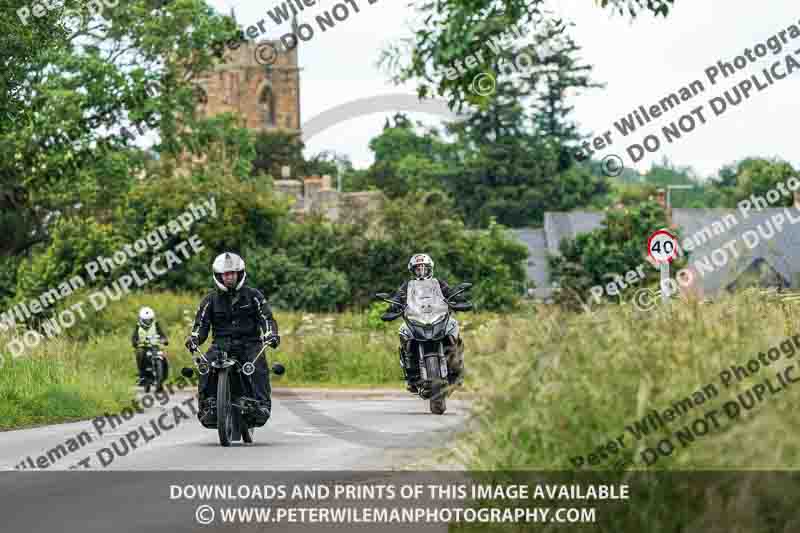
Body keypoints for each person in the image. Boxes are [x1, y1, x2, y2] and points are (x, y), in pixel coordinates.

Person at [185, 252, 280, 426]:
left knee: (258, 365)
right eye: (225, 274)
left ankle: (263, 405)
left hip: (249, 343)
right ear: (219, 276)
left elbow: (266, 318)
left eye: (232, 273)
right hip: (221, 346)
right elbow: (201, 325)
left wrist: (270, 334)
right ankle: (207, 407)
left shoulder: (254, 296)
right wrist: (194, 339)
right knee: (204, 366)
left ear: (239, 274)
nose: (229, 277)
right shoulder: (210, 300)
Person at [382, 253, 466, 392]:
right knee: (403, 331)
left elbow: (450, 293)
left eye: (424, 268)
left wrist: (460, 300)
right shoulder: (407, 286)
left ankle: (456, 365)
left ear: (430, 268)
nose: (421, 271)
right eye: (417, 268)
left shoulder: (438, 283)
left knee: (453, 326)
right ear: (412, 270)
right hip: (416, 319)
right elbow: (397, 299)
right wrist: (392, 308)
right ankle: (411, 373)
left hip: (438, 317)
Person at [131, 306, 169, 386]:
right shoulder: (138, 326)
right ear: (141, 319)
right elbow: (134, 337)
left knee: (164, 356)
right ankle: (142, 375)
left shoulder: (156, 324)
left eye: (150, 320)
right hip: (143, 347)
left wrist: (164, 340)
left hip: (155, 346)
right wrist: (135, 342)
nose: (148, 322)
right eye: (146, 320)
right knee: (139, 353)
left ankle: (164, 375)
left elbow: (162, 334)